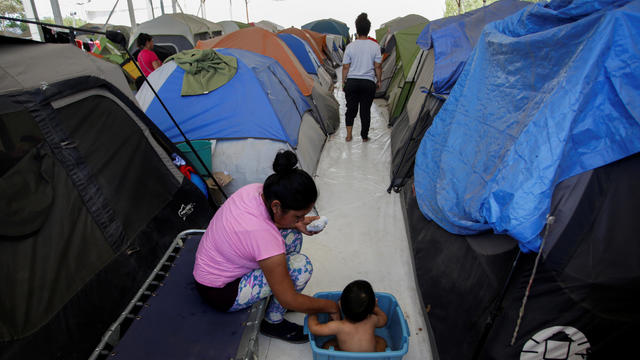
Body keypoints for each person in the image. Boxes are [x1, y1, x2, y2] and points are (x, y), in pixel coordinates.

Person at [193, 150, 340, 343]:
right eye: (298, 216)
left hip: (213, 268)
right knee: (301, 267)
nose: (302, 219)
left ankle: (277, 290)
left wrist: (295, 223)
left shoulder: (256, 190)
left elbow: (265, 226)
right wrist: (331, 307)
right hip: (221, 292)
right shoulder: (263, 235)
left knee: (293, 235)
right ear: (277, 206)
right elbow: (289, 298)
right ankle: (273, 322)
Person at [308, 280, 388, 352]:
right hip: (369, 356)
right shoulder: (372, 319)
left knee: (327, 345)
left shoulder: (337, 326)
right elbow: (383, 320)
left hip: (346, 356)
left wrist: (312, 312)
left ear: (341, 306)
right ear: (370, 310)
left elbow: (314, 328)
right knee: (381, 341)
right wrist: (376, 308)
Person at [341, 13, 382, 142]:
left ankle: (349, 135)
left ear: (356, 29)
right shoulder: (375, 46)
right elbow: (377, 67)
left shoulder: (350, 47)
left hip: (352, 82)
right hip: (368, 82)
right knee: (365, 110)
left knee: (351, 108)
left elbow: (346, 67)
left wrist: (344, 81)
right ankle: (364, 137)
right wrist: (379, 80)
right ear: (368, 30)